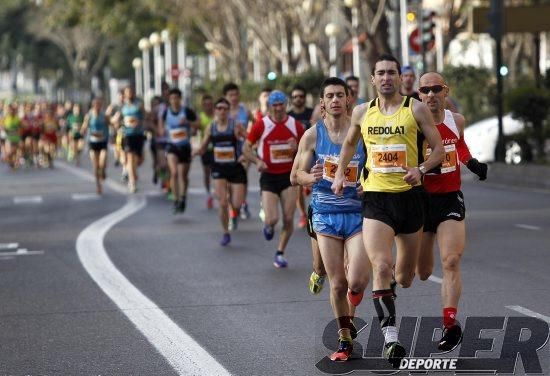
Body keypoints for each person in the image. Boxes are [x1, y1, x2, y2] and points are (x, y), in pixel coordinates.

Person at [332, 54, 444, 367]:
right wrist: (342, 173)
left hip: (410, 199)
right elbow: (350, 145)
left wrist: (420, 169)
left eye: (391, 73)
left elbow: (438, 151)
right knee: (381, 265)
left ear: (399, 77)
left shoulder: (415, 108)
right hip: (376, 199)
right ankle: (391, 338)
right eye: (380, 73)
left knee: (405, 277)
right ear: (373, 79)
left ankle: (391, 288)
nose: (386, 78)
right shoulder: (362, 112)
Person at [296, 77, 370, 361]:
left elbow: (376, 167)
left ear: (349, 99)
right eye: (330, 96)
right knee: (337, 283)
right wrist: (309, 176)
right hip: (326, 214)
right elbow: (295, 175)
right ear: (323, 103)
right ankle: (345, 337)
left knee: (357, 282)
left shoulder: (362, 133)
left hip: (357, 214)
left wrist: (368, 182)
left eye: (341, 95)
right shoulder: (313, 135)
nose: (336, 100)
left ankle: (348, 321)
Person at [416, 72, 488, 351]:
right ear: (419, 95)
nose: (431, 94)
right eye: (426, 90)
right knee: (421, 272)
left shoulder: (455, 121)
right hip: (420, 202)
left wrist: (472, 163)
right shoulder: (412, 124)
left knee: (451, 260)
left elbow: (458, 145)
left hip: (449, 199)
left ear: (445, 92)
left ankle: (450, 324)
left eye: (436, 89)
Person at [243, 91, 304, 268]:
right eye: (274, 105)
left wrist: (297, 148)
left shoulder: (295, 125)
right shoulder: (261, 125)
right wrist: (257, 161)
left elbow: (308, 149)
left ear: (286, 105)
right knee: (272, 219)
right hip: (269, 176)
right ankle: (268, 226)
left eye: (281, 104)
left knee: (288, 217)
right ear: (269, 106)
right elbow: (246, 149)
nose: (278, 108)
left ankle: (280, 252)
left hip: (289, 176)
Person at [195, 97, 247, 245]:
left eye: (225, 108)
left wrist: (244, 154)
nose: (222, 111)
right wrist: (197, 151)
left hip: (235, 167)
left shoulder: (235, 126)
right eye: (219, 108)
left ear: (228, 111)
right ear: (215, 111)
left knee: (236, 204)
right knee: (223, 202)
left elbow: (249, 140)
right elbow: (204, 145)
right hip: (218, 168)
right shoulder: (211, 127)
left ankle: (235, 212)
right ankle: (225, 232)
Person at [158, 88, 199, 213]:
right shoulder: (165, 112)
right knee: (174, 172)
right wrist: (163, 130)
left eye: (176, 98)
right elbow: (160, 130)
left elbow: (198, 124)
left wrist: (188, 123)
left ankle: (183, 197)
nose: (174, 101)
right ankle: (176, 200)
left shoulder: (186, 111)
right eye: (172, 98)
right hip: (172, 146)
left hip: (185, 147)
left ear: (180, 99)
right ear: (169, 100)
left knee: (183, 175)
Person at [224, 82, 253, 219]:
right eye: (230, 95)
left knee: (242, 176)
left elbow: (256, 126)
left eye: (235, 94)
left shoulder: (245, 110)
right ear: (225, 96)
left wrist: (247, 134)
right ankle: (233, 204)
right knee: (229, 181)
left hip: (243, 149)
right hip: (227, 150)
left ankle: (242, 203)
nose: (234, 97)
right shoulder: (223, 111)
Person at [287, 85, 315, 229]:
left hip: (314, 154)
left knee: (312, 183)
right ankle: (303, 214)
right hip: (297, 154)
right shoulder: (289, 116)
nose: (298, 99)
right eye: (295, 97)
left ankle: (314, 208)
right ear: (292, 99)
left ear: (305, 98)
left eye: (301, 96)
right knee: (297, 186)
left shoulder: (312, 113)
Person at [119, 86, 146, 193]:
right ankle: (132, 182)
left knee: (139, 160)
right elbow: (118, 119)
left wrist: (140, 122)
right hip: (127, 135)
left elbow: (145, 116)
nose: (129, 93)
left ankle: (133, 172)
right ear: (124, 94)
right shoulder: (122, 106)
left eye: (131, 91)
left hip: (138, 134)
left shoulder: (139, 104)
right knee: (129, 158)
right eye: (127, 92)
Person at [81, 98, 110, 194]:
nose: (97, 107)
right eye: (95, 105)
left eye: (99, 105)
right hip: (92, 142)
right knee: (96, 165)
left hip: (103, 141)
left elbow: (110, 125)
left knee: (102, 162)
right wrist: (83, 130)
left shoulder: (104, 115)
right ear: (93, 106)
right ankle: (98, 185)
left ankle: (103, 170)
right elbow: (84, 127)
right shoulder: (89, 115)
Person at [198, 94, 215, 209]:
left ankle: (217, 191)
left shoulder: (217, 116)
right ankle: (208, 194)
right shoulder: (201, 117)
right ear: (203, 106)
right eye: (206, 105)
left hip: (217, 149)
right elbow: (195, 128)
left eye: (210, 104)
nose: (208, 107)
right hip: (205, 149)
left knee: (217, 173)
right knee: (206, 173)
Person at [1, 103, 22, 170]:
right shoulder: (5, 118)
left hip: (16, 137)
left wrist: (18, 131)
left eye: (13, 110)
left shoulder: (17, 118)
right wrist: (5, 129)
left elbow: (20, 127)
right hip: (8, 137)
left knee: (15, 151)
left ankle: (14, 162)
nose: (12, 111)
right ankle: (11, 162)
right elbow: (2, 127)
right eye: (10, 110)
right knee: (9, 152)